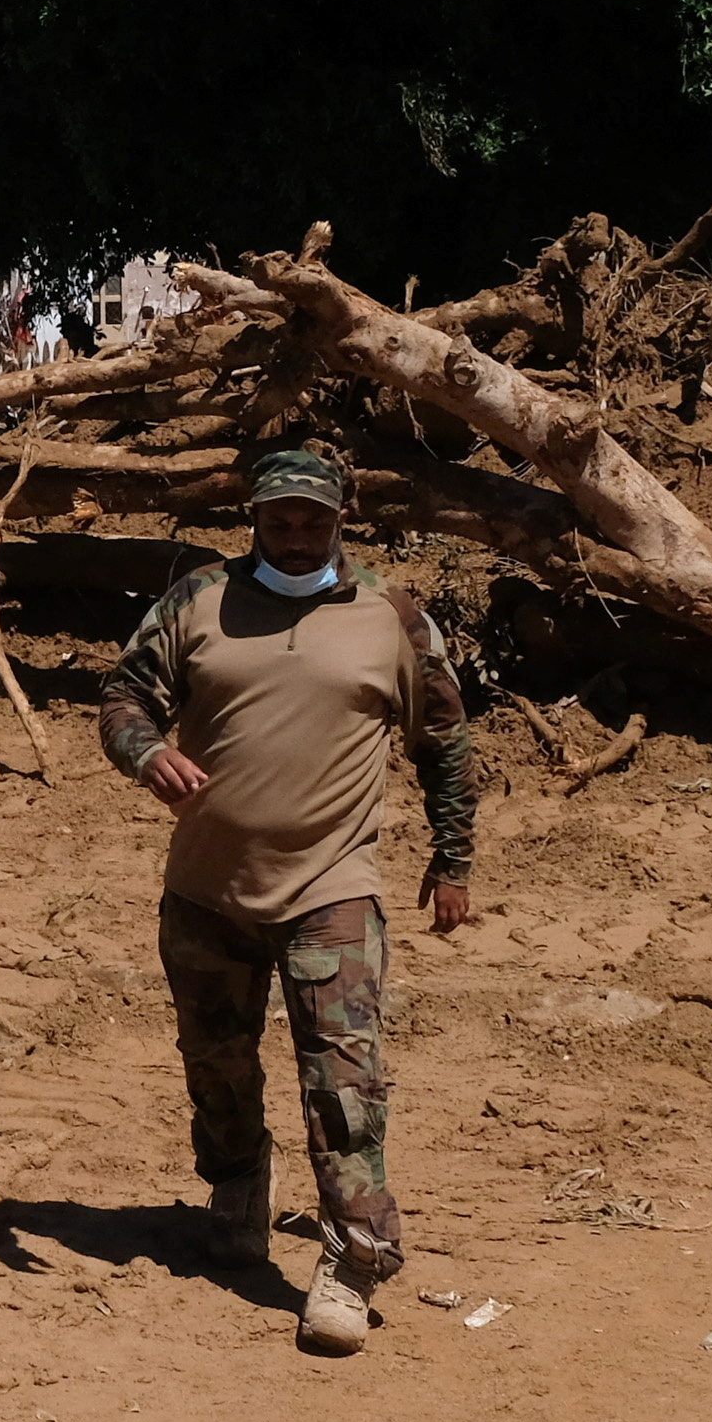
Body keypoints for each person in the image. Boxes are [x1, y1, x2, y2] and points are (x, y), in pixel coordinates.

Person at [102, 445, 479, 1358]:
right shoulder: (197, 600)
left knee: (344, 1083)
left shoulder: (391, 616)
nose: (299, 535)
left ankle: (353, 1259)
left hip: (332, 885)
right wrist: (147, 752)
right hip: (207, 887)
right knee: (215, 1058)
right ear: (256, 518)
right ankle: (238, 1184)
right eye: (282, 520)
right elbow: (124, 697)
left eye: (316, 519)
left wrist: (454, 854)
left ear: (343, 516)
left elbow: (446, 737)